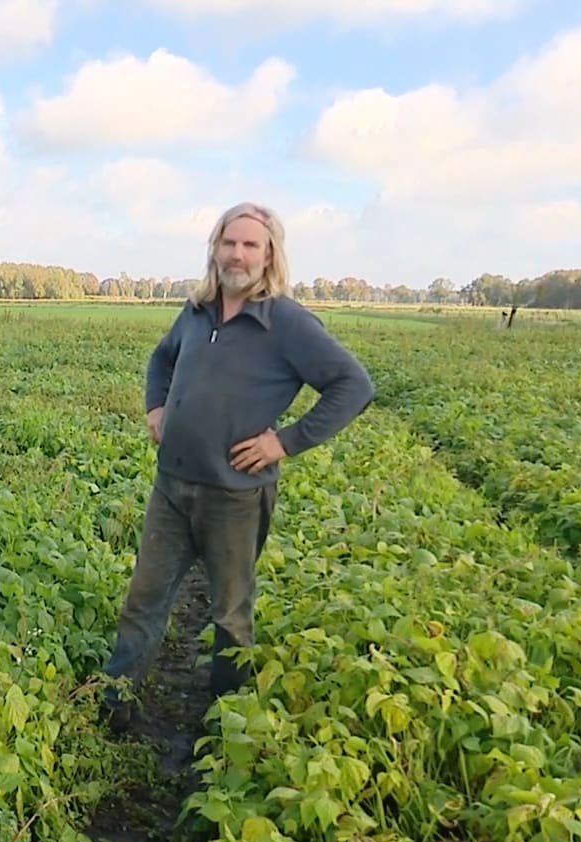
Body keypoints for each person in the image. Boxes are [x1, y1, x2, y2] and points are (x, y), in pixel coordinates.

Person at [99, 201, 374, 731]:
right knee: (143, 600)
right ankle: (116, 708)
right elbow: (162, 359)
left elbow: (354, 386)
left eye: (251, 244)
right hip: (173, 488)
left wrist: (285, 442)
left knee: (230, 616)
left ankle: (223, 728)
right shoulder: (197, 310)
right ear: (215, 248)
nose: (238, 253)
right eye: (229, 242)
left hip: (235, 496)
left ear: (270, 254)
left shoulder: (287, 323)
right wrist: (156, 406)